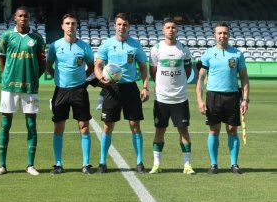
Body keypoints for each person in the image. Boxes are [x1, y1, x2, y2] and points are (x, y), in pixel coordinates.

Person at [0, 6, 46, 176]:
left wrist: (32, 77)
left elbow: (42, 64)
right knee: (5, 125)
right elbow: (1, 59)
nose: (23, 18)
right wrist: (7, 76)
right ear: (15, 18)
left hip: (30, 88)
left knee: (31, 125)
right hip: (9, 87)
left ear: (29, 18)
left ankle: (30, 165)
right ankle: (2, 165)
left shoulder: (37, 38)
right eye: (20, 16)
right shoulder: (6, 36)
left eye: (26, 16)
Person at [94, 13, 150, 173]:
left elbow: (144, 67)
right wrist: (101, 79)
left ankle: (139, 162)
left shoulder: (135, 45)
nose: (121, 27)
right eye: (119, 24)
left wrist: (145, 87)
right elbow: (97, 65)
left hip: (130, 88)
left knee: (135, 125)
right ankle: (102, 163)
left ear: (128, 27)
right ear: (114, 26)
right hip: (112, 88)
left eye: (124, 24)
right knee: (107, 126)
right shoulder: (107, 44)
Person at [196, 22, 250, 175]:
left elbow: (244, 78)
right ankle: (214, 164)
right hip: (213, 96)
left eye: (225, 33)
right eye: (219, 33)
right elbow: (200, 79)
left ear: (229, 34)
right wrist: (200, 100)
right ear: (214, 35)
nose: (222, 35)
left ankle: (234, 164)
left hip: (232, 96)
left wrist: (245, 99)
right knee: (214, 130)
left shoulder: (237, 54)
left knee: (232, 130)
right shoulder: (208, 54)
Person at [46, 13, 95, 174]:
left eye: (73, 23)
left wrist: (82, 79)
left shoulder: (85, 47)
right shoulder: (54, 46)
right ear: (62, 26)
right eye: (67, 23)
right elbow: (49, 66)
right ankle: (58, 164)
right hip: (60, 90)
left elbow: (91, 67)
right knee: (58, 127)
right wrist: (58, 79)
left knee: (84, 127)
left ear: (77, 26)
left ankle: (86, 164)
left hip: (80, 90)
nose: (70, 26)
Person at [148, 18, 195, 175]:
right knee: (160, 130)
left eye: (174, 27)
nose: (171, 30)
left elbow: (188, 70)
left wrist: (179, 83)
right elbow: (153, 71)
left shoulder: (184, 49)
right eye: (168, 27)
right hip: (161, 98)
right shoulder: (156, 49)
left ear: (177, 30)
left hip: (180, 98)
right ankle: (157, 164)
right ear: (163, 30)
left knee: (184, 130)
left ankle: (187, 165)